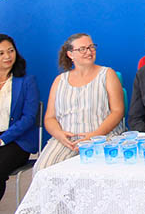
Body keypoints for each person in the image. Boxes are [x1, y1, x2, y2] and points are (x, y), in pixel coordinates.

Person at [35, 33, 125, 172]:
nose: (89, 52)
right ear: (70, 54)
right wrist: (59, 135)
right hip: (67, 141)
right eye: (82, 49)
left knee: (97, 174)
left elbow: (117, 111)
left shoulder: (107, 74)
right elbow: (50, 118)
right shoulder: (59, 81)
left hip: (102, 137)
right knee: (42, 170)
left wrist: (94, 135)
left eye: (91, 47)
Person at [0, 35, 39, 201]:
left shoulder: (26, 81)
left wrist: (3, 139)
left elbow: (29, 117)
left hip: (17, 141)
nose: (7, 56)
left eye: (11, 51)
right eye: (1, 53)